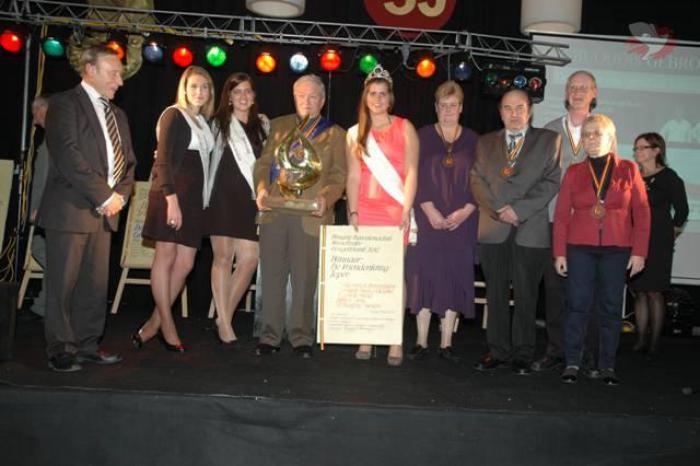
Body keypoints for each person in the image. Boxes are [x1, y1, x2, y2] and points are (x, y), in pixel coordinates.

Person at [39, 45, 136, 372]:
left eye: (120, 73)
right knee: (63, 285)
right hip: (71, 208)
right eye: (114, 73)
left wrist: (120, 195)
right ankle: (61, 348)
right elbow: (68, 157)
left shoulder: (118, 115)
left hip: (105, 213)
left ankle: (87, 344)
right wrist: (104, 195)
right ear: (90, 70)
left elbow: (129, 164)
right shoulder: (65, 104)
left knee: (94, 286)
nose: (120, 81)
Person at [254, 74, 347, 359]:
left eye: (313, 96)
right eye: (301, 96)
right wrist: (259, 190)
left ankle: (301, 337)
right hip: (274, 211)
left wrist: (326, 198)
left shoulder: (336, 134)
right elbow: (264, 163)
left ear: (322, 99)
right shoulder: (279, 125)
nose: (306, 102)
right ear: (294, 97)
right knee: (272, 276)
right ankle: (269, 336)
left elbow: (338, 175)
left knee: (306, 279)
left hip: (311, 215)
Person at [554, 114, 650, 386]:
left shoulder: (629, 169)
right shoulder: (574, 171)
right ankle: (572, 361)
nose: (592, 139)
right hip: (579, 248)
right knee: (577, 306)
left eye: (598, 133)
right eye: (587, 134)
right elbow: (561, 215)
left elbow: (642, 214)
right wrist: (560, 252)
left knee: (610, 308)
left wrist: (639, 252)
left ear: (610, 137)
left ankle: (607, 364)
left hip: (618, 249)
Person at [470, 89, 561, 376]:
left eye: (519, 107)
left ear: (530, 111)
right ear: (500, 112)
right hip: (493, 228)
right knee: (496, 294)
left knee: (526, 295)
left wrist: (517, 210)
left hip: (529, 229)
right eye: (507, 108)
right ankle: (497, 351)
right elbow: (476, 181)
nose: (514, 113)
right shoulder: (485, 143)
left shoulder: (549, 141)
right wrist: (500, 210)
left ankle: (523, 354)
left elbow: (551, 181)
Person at [137, 66, 215, 352]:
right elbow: (162, 161)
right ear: (184, 88)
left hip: (195, 201)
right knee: (166, 258)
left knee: (186, 265)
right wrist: (172, 201)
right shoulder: (173, 114)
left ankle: (154, 324)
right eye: (194, 86)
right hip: (171, 195)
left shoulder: (204, 122)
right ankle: (167, 326)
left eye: (204, 87)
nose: (199, 92)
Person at [345, 65, 419, 366]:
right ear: (365, 97)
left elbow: (413, 171)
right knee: (367, 277)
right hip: (365, 210)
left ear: (390, 98)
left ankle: (394, 339)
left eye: (382, 94)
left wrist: (406, 209)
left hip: (393, 211)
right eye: (372, 94)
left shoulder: (405, 127)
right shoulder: (354, 133)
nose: (377, 99)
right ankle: (367, 335)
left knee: (392, 276)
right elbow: (352, 176)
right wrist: (352, 211)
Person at [405, 80, 478, 362]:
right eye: (442, 105)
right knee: (424, 276)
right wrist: (429, 210)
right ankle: (422, 341)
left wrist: (468, 210)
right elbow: (413, 175)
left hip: (463, 222)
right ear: (435, 108)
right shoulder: (421, 136)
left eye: (453, 105)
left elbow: (481, 181)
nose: (448, 110)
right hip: (427, 220)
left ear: (461, 108)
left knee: (453, 276)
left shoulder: (474, 140)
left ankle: (446, 342)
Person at [534, 70, 600, 373]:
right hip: (552, 221)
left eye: (583, 88)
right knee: (554, 288)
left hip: (587, 224)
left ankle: (583, 350)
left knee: (585, 289)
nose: (577, 92)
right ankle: (556, 349)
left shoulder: (601, 130)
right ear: (565, 93)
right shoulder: (549, 130)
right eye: (573, 87)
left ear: (594, 93)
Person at [208, 73, 269, 345]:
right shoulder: (217, 123)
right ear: (229, 97)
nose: (243, 97)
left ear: (254, 95)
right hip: (222, 196)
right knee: (223, 258)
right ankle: (225, 324)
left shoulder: (263, 124)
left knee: (250, 259)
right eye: (237, 92)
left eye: (248, 91)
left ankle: (223, 316)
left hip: (250, 199)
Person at [630, 132, 688, 354]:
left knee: (654, 291)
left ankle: (654, 343)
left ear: (657, 151)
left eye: (643, 148)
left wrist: (671, 232)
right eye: (636, 148)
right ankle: (640, 340)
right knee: (640, 290)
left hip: (659, 240)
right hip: (635, 238)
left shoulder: (669, 177)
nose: (638, 152)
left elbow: (682, 209)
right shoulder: (633, 175)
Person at [28, 95, 50, 318]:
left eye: (35, 115)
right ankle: (44, 305)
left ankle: (43, 306)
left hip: (48, 212)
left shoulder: (52, 142)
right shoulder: (52, 140)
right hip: (48, 211)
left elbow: (45, 180)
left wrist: (38, 209)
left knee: (48, 254)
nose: (34, 121)